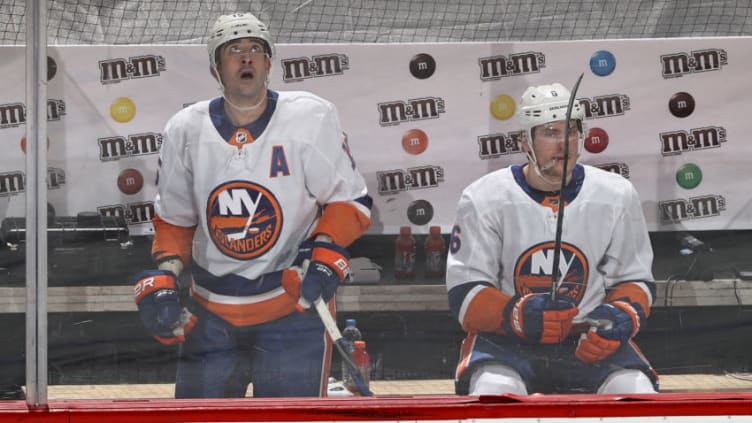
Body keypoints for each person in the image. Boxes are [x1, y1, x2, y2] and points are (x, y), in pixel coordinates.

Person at [132, 12, 372, 398]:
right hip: (211, 312)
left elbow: (350, 202)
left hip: (290, 310)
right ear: (216, 70)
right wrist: (167, 274)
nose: (246, 58)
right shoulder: (185, 129)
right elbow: (174, 221)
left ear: (268, 65)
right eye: (234, 51)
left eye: (256, 50)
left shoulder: (310, 117)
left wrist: (325, 251)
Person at [446, 82, 658, 395]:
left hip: (587, 343)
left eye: (571, 132)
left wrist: (618, 317)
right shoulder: (484, 197)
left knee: (637, 392)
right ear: (525, 141)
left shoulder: (616, 194)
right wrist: (517, 314)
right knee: (494, 393)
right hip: (508, 342)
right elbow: (464, 294)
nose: (565, 144)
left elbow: (635, 278)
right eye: (550, 132)